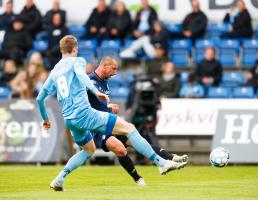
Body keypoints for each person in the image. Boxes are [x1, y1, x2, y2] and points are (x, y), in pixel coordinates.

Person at [36, 35, 187, 191]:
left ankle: (59, 179)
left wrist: (46, 119)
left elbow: (40, 99)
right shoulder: (78, 61)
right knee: (130, 128)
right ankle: (161, 163)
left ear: (61, 49)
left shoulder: (54, 71)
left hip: (69, 119)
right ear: (75, 48)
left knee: (89, 150)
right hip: (84, 113)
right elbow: (81, 75)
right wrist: (96, 92)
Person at [87, 57, 188, 186]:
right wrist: (108, 106)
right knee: (121, 150)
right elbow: (86, 105)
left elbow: (98, 102)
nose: (116, 73)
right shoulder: (90, 81)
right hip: (98, 126)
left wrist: (109, 105)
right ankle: (139, 178)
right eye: (113, 69)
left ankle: (169, 157)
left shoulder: (104, 81)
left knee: (138, 141)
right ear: (104, 66)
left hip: (109, 122)